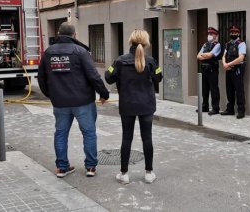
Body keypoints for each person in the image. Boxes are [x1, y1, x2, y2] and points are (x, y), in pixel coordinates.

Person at [38, 22, 109, 178]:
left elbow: (41, 78)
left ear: (58, 33)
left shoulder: (48, 53)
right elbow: (93, 76)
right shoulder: (80, 51)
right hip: (83, 101)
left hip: (60, 103)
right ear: (74, 35)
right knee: (89, 133)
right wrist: (103, 93)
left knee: (61, 134)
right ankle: (90, 167)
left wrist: (51, 94)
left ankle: (62, 168)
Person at [105, 29, 163, 184]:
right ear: (146, 43)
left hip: (127, 104)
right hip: (146, 105)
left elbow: (108, 77)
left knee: (126, 138)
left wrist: (112, 68)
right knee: (147, 138)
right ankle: (149, 173)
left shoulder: (119, 60)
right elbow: (159, 77)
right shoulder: (151, 61)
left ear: (130, 41)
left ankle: (124, 174)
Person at [221, 25, 247, 119]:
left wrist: (228, 64)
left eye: (235, 32)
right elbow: (224, 55)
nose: (233, 34)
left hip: (237, 70)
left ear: (238, 33)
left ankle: (241, 111)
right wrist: (224, 64)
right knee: (229, 90)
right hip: (228, 69)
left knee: (239, 90)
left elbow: (241, 58)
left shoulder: (241, 43)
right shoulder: (228, 44)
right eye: (232, 32)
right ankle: (230, 109)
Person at [197, 27, 221, 115]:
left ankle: (215, 108)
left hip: (212, 69)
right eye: (209, 34)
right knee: (204, 89)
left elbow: (211, 55)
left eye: (211, 34)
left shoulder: (217, 45)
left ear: (215, 35)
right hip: (204, 69)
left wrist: (205, 55)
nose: (209, 35)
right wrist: (205, 55)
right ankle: (205, 106)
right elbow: (198, 56)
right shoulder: (205, 44)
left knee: (214, 89)